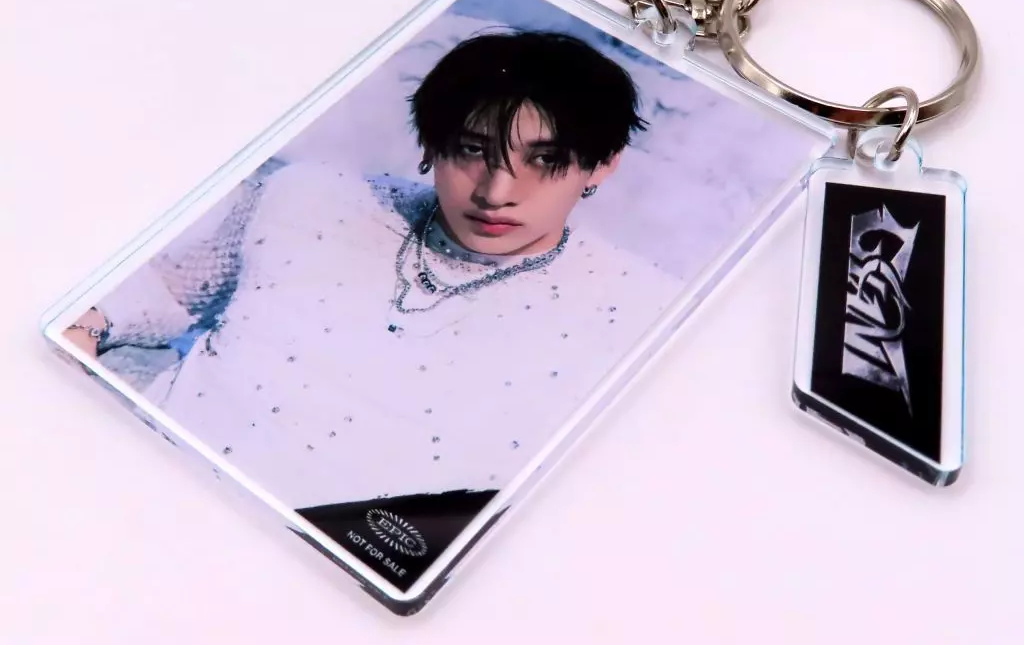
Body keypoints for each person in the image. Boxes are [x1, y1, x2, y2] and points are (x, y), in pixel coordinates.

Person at [64, 30, 683, 580]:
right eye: (472, 150)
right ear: (430, 143)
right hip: (124, 483)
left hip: (329, 580)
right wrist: (89, 325)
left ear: (601, 166)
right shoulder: (313, 199)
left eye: (544, 160)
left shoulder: (642, 312)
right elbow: (172, 287)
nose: (497, 192)